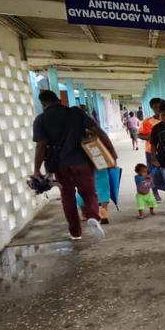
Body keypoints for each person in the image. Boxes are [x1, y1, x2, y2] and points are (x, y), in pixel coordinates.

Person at [31, 89, 113, 241]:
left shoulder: (41, 119)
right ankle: (94, 217)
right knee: (89, 193)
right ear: (58, 99)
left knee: (67, 198)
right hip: (82, 161)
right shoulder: (76, 113)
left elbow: (41, 145)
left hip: (59, 166)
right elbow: (99, 132)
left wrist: (37, 169)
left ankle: (75, 232)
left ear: (43, 104)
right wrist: (111, 153)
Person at [139, 98, 165, 201]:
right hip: (151, 151)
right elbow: (139, 135)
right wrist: (152, 137)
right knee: (152, 172)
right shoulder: (147, 122)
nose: (157, 109)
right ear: (151, 108)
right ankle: (155, 193)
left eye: (159, 107)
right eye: (155, 107)